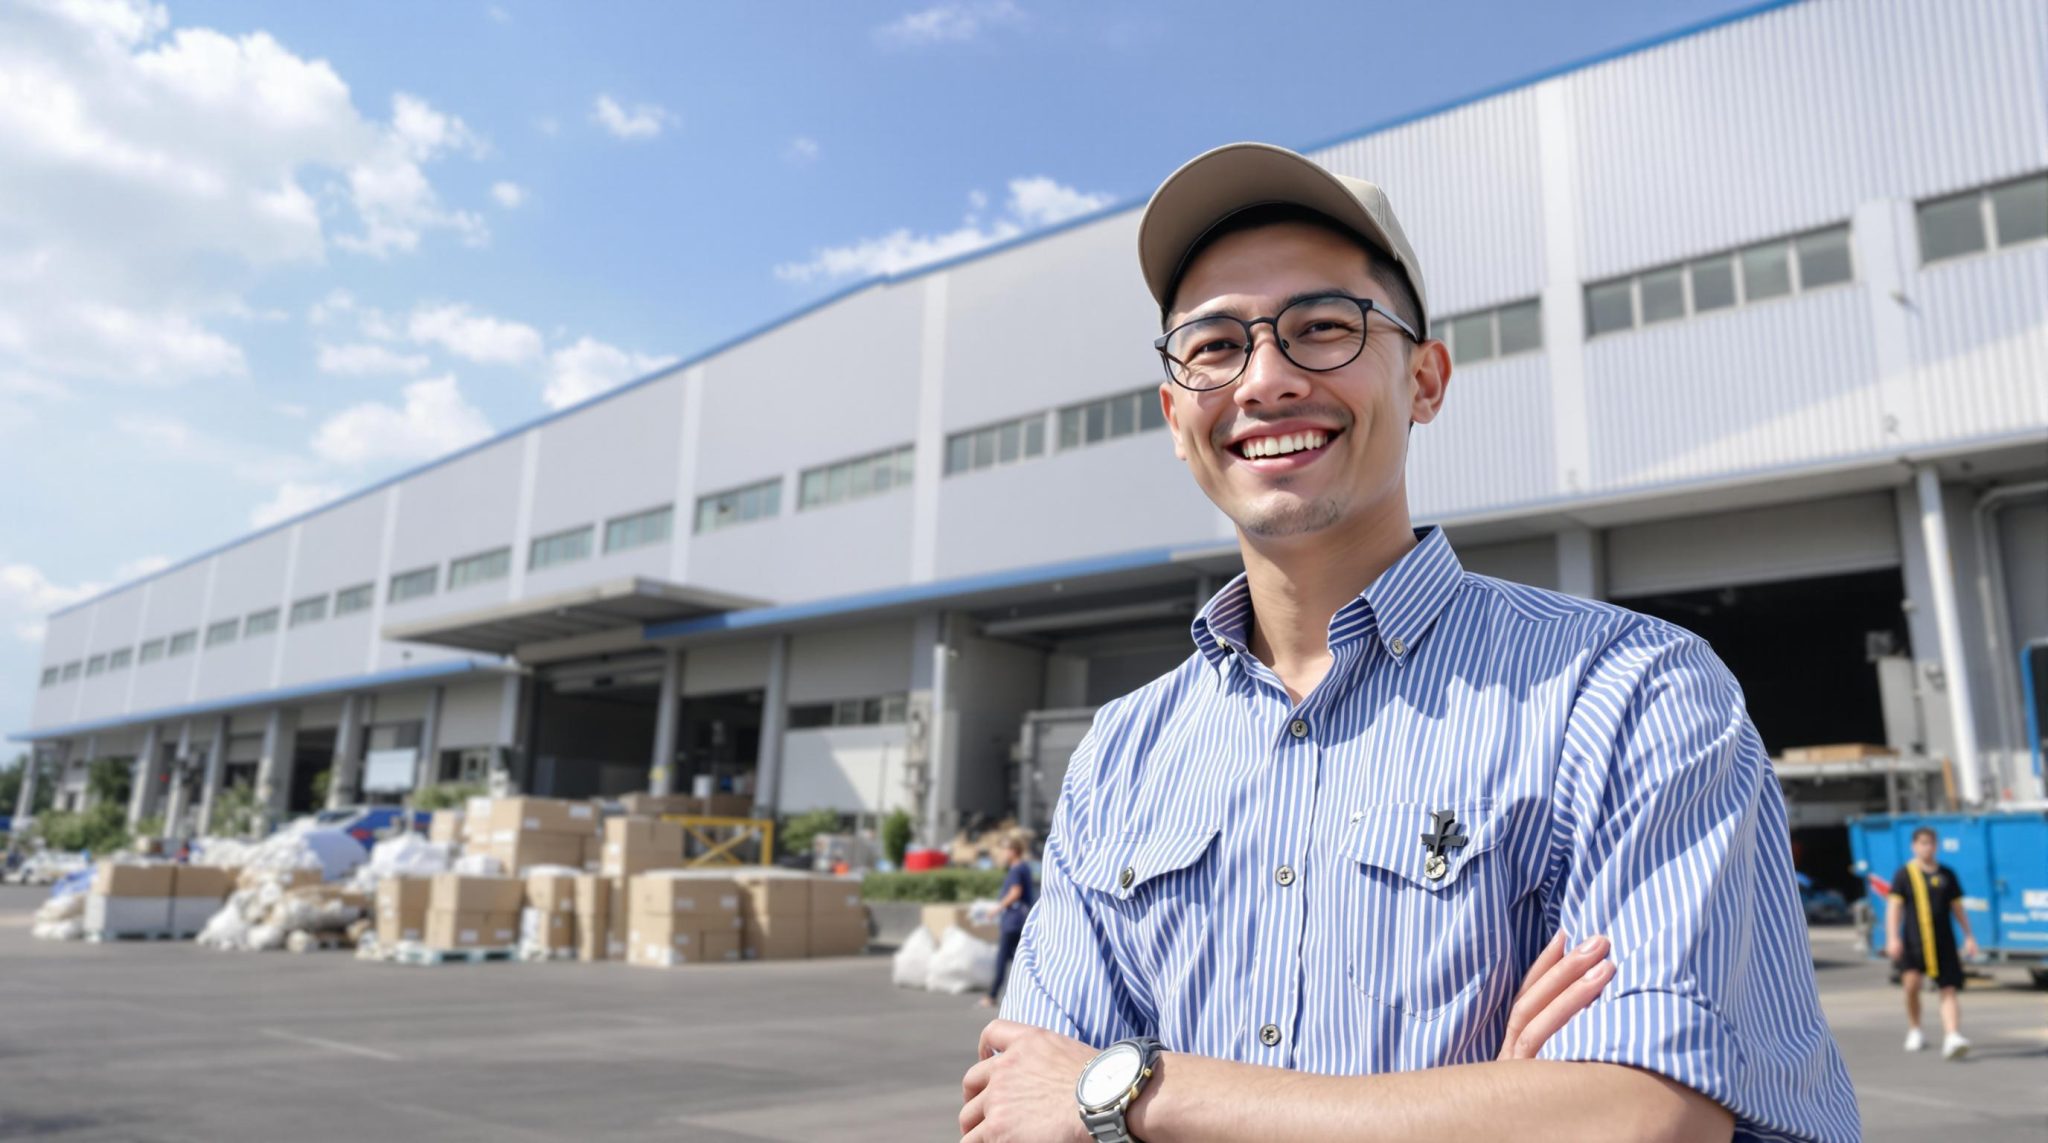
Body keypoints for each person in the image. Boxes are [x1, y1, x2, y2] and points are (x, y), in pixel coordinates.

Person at [961, 143, 1857, 1142]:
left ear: (1425, 379)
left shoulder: (1625, 692)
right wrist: (1488, 1108)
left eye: (1322, 329)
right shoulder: (1119, 757)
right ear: (1176, 416)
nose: (1264, 379)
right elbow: (1022, 1111)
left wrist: (1136, 1093)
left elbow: (1636, 1117)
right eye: (1214, 346)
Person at [1884, 825, 1981, 1060]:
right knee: (1912, 986)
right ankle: (1915, 1029)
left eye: (1930, 843)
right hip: (1914, 941)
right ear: (1914, 846)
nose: (1927, 847)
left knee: (1948, 988)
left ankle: (1952, 1035)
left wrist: (1969, 936)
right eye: (1922, 843)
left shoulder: (1947, 874)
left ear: (1936, 846)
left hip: (1943, 941)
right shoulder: (1904, 874)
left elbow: (1957, 908)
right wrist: (1892, 937)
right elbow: (1894, 908)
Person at [981, 834, 1038, 1009]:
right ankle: (1033, 992)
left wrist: (997, 908)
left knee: (1003, 958)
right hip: (1021, 919)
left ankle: (991, 996)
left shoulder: (1016, 869)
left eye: (1005, 850)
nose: (1004, 853)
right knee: (1019, 959)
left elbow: (1015, 892)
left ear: (1013, 851)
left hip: (1013, 920)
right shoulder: (1025, 868)